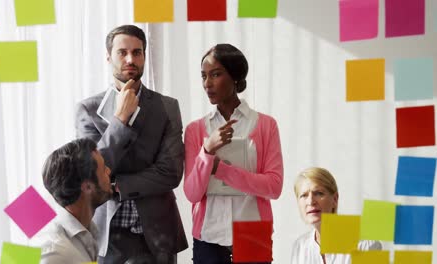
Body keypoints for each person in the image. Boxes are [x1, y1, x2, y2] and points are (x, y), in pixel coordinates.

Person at [75, 25, 187, 264]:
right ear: (108, 56)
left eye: (137, 52)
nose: (130, 59)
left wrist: (117, 185)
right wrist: (120, 120)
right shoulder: (88, 110)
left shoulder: (167, 107)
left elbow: (171, 173)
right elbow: (90, 173)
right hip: (108, 235)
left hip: (158, 236)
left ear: (145, 56)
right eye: (122, 52)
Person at [184, 43, 284, 264]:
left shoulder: (266, 125)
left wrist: (221, 170)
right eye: (203, 76)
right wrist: (207, 151)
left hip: (253, 235)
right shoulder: (195, 130)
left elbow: (274, 186)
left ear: (235, 77)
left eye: (216, 74)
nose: (207, 84)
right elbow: (192, 193)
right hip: (208, 237)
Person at [39, 138, 113, 263]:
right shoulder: (54, 252)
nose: (109, 171)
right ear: (87, 187)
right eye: (103, 169)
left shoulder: (88, 232)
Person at [291, 167, 382, 264]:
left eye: (318, 193)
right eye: (304, 195)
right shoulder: (299, 247)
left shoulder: (365, 244)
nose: (310, 201)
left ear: (335, 199)